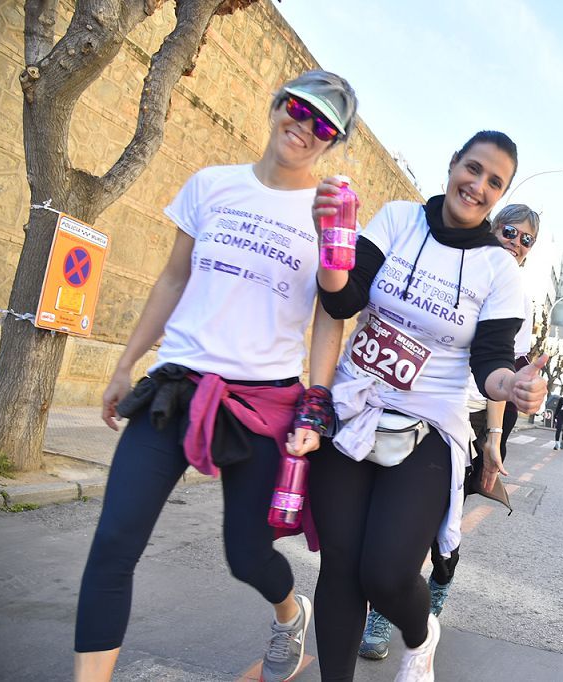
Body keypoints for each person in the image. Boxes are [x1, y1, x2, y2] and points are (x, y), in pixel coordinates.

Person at [73, 71, 356, 682]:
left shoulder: (327, 214)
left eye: (325, 125)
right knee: (114, 543)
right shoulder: (211, 185)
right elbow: (173, 279)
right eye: (299, 109)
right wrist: (125, 364)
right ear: (278, 104)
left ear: (333, 142)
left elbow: (333, 312)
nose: (305, 128)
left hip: (262, 405)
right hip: (175, 388)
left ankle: (288, 614)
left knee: (248, 555)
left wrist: (317, 400)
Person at [303, 130, 548, 682]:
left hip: (429, 425)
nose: (479, 186)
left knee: (386, 572)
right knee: (340, 566)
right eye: (474, 169)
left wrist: (512, 387)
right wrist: (332, 240)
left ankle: (421, 634)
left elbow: (490, 363)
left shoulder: (499, 270)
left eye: (495, 182)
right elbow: (342, 297)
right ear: (453, 164)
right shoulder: (397, 220)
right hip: (355, 405)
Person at [358, 203, 541, 661]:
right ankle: (389, 602)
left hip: (480, 417)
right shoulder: (454, 263)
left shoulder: (515, 292)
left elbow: (499, 368)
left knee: (440, 520)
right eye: (511, 230)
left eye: (526, 239)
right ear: (493, 227)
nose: (516, 242)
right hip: (424, 405)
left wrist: (493, 439)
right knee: (403, 518)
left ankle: (433, 590)